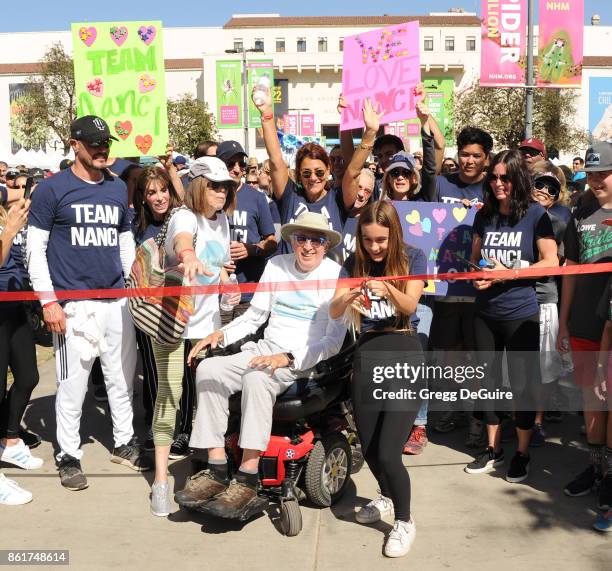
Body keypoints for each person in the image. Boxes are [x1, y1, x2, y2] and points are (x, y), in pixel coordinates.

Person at [175, 211, 346, 518]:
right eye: (301, 238)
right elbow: (255, 317)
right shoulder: (277, 266)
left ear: (326, 245)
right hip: (265, 348)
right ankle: (216, 468)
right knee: (208, 369)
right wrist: (219, 334)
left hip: (302, 359)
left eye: (316, 240)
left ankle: (247, 475)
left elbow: (332, 342)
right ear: (292, 240)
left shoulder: (336, 276)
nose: (308, 246)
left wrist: (288, 358)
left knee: (257, 377)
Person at [26, 115, 152, 491]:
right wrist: (49, 302)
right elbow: (36, 250)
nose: (102, 149)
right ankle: (68, 454)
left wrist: (134, 279)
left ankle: (125, 441)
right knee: (72, 386)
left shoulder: (116, 189)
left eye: (106, 143)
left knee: (121, 379)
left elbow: (124, 237)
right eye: (94, 142)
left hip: (116, 301)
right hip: (74, 305)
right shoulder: (52, 190)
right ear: (74, 144)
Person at [330, 201, 426, 557]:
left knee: (388, 451)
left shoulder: (413, 257)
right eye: (368, 240)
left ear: (394, 234)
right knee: (369, 448)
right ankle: (386, 497)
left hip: (403, 352)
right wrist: (347, 298)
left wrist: (388, 290)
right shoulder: (353, 263)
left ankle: (404, 520)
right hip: (367, 356)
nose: (374, 247)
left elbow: (412, 306)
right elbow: (334, 309)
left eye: (381, 240)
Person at [148, 156, 239, 517]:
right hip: (172, 321)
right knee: (169, 397)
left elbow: (218, 269)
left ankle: (207, 472)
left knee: (210, 399)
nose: (221, 192)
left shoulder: (225, 221)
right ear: (200, 186)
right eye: (215, 186)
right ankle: (160, 480)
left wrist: (227, 284)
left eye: (226, 186)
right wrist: (187, 256)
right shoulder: (184, 216)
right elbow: (184, 242)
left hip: (207, 324)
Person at [465, 149, 558, 483]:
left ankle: (522, 453)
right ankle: (493, 449)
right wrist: (477, 274)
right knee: (486, 382)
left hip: (522, 313)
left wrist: (509, 273)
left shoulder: (535, 215)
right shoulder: (485, 215)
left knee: (522, 387)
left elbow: (551, 263)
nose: (498, 183)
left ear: (518, 179)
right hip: (486, 312)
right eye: (494, 177)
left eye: (505, 177)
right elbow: (474, 261)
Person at [431, 126, 495, 443]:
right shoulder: (442, 182)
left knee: (477, 355)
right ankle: (451, 410)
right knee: (450, 354)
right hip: (443, 288)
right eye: (465, 154)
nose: (469, 161)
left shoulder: (493, 189)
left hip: (479, 291)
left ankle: (477, 419)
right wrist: (427, 120)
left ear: (487, 159)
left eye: (476, 156)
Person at [559, 141, 612, 508]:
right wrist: (564, 323)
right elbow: (571, 272)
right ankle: (596, 469)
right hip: (583, 323)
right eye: (591, 174)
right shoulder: (580, 211)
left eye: (603, 174)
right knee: (592, 400)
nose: (595, 180)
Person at [255, 87, 356, 254]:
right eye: (306, 173)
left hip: (329, 279)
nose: (313, 178)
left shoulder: (338, 199)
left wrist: (345, 117)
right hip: (292, 277)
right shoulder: (290, 196)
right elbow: (275, 160)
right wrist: (266, 114)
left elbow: (353, 167)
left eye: (319, 172)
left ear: (328, 170)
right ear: (299, 175)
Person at [131, 167, 184, 454]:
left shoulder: (181, 218)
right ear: (143, 197)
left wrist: (173, 173)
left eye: (163, 190)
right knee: (153, 371)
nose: (159, 197)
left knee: (182, 373)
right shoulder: (136, 226)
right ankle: (156, 428)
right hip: (148, 310)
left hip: (178, 309)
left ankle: (183, 429)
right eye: (152, 192)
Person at [0, 197, 42, 506]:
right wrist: (10, 232)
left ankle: (10, 439)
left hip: (16, 306)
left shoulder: (6, 214)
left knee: (28, 376)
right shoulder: (8, 224)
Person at [529, 165, 571, 440]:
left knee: (544, 368)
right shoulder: (518, 214)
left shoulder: (559, 218)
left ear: (558, 195)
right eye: (539, 185)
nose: (544, 191)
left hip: (545, 299)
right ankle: (521, 417)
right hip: (516, 299)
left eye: (551, 188)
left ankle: (536, 421)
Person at [216, 141, 277, 321]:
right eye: (230, 164)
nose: (237, 169)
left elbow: (272, 241)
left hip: (250, 293)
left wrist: (251, 249)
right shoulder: (212, 196)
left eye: (241, 163)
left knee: (246, 347)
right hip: (216, 294)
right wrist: (217, 264)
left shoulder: (257, 198)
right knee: (218, 347)